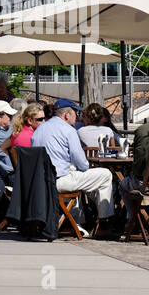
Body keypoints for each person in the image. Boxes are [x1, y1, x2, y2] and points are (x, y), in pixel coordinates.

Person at [31, 98, 115, 231]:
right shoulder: (68, 130)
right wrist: (87, 168)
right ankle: (105, 222)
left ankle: (77, 221)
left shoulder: (40, 129)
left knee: (81, 178)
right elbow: (81, 162)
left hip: (41, 181)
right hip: (59, 181)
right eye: (75, 113)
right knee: (105, 175)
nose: (78, 117)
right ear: (67, 115)